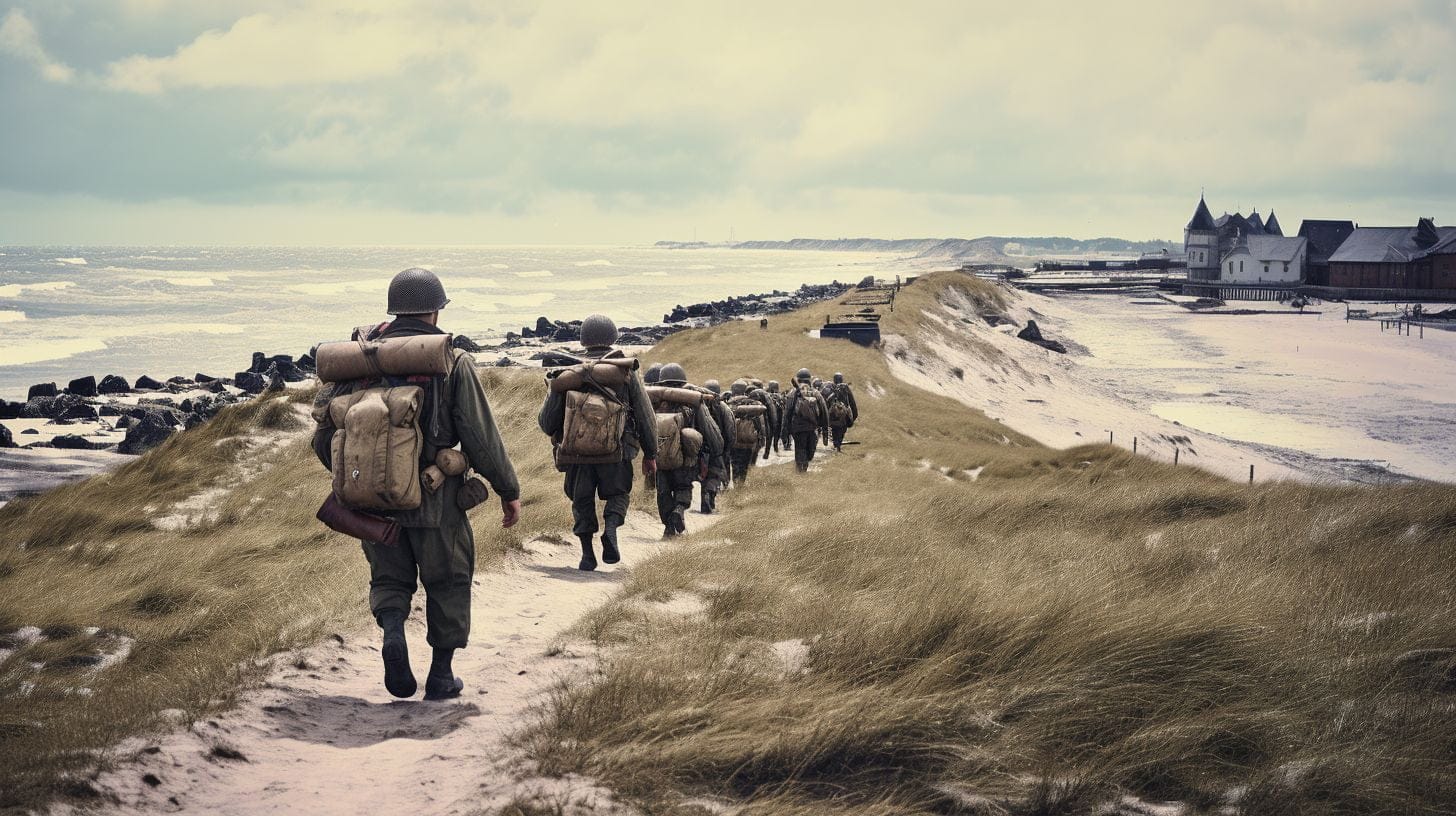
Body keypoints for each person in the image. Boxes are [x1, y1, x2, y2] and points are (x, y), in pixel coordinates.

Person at [312, 267, 522, 702]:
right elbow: (481, 436)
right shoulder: (451, 360)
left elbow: (322, 439)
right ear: (435, 313)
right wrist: (508, 490)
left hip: (371, 503)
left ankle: (393, 634)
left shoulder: (359, 363)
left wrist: (360, 477)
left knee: (389, 580)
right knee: (448, 580)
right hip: (436, 499)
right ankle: (441, 676)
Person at [537, 314, 657, 572]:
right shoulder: (624, 372)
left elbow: (546, 422)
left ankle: (587, 554)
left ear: (583, 341)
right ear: (613, 338)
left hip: (576, 455)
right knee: (618, 495)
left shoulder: (568, 374)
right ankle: (611, 528)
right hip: (617, 452)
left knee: (581, 501)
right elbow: (646, 416)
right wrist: (651, 453)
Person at [651, 363, 723, 536]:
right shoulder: (692, 400)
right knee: (683, 488)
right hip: (685, 457)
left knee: (663, 491)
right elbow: (708, 428)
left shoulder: (656, 400)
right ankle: (679, 509)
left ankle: (668, 528)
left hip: (661, 457)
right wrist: (716, 449)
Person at [781, 368, 829, 473]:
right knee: (809, 452)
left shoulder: (793, 393)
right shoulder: (816, 393)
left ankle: (801, 470)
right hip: (813, 428)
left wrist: (784, 433)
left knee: (800, 450)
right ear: (809, 379)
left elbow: (787, 414)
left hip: (797, 429)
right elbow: (824, 413)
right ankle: (802, 471)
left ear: (798, 379)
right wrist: (825, 432)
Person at [698, 379, 735, 513]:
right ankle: (710, 495)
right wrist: (728, 448)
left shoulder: (698, 404)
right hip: (718, 447)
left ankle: (704, 500)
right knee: (714, 474)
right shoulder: (724, 407)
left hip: (701, 446)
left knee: (703, 473)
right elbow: (730, 430)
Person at [727, 379, 769, 483]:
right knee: (745, 465)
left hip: (734, 442)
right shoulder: (754, 404)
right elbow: (761, 424)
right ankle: (741, 483)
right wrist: (761, 440)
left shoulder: (729, 404)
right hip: (749, 442)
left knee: (735, 464)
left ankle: (737, 485)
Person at [825, 372, 860, 452]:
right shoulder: (845, 387)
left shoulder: (830, 387)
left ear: (834, 379)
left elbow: (827, 401)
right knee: (842, 429)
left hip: (833, 414)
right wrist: (854, 416)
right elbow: (852, 402)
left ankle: (836, 444)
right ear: (841, 379)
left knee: (834, 429)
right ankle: (838, 445)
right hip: (844, 414)